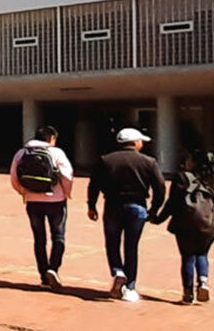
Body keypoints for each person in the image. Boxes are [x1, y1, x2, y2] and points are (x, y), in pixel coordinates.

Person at [87, 128, 165, 302]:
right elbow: (160, 188)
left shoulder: (106, 160)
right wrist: (154, 210)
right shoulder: (148, 162)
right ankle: (130, 286)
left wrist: (92, 206)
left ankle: (117, 270)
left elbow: (94, 185)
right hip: (138, 206)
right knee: (132, 246)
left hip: (113, 205)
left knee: (112, 242)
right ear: (135, 143)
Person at [151, 149, 214, 304]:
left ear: (193, 162)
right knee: (202, 254)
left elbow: (172, 203)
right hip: (209, 223)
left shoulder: (182, 177)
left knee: (187, 256)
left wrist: (158, 218)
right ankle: (203, 282)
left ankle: (188, 293)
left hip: (185, 223)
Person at [10, 126, 74, 290]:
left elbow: (14, 176)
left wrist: (23, 192)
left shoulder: (22, 153)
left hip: (33, 202)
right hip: (56, 201)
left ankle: (43, 274)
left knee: (39, 238)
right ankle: (53, 268)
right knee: (58, 236)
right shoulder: (57, 153)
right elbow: (67, 175)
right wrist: (66, 193)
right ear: (51, 138)